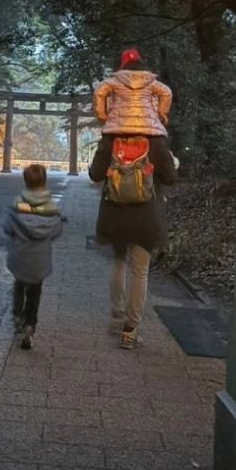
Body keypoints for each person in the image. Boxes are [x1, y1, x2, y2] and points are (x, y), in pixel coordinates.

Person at [89, 131, 177, 349]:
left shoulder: (111, 136)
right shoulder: (156, 138)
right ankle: (130, 330)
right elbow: (170, 177)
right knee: (140, 270)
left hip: (115, 212)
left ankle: (117, 317)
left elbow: (95, 174)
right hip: (146, 215)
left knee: (119, 262)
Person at [3, 164, 64, 350]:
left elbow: (7, 227)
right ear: (44, 181)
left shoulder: (18, 204)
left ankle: (17, 315)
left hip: (20, 255)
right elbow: (56, 231)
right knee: (35, 291)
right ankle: (30, 325)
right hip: (39, 258)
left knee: (19, 284)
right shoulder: (51, 206)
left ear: (25, 181)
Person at [93, 48, 173, 137]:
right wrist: (162, 113)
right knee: (162, 145)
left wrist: (102, 116)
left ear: (123, 63)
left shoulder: (114, 80)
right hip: (150, 128)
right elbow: (167, 92)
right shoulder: (150, 81)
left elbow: (99, 92)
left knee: (105, 145)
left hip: (117, 128)